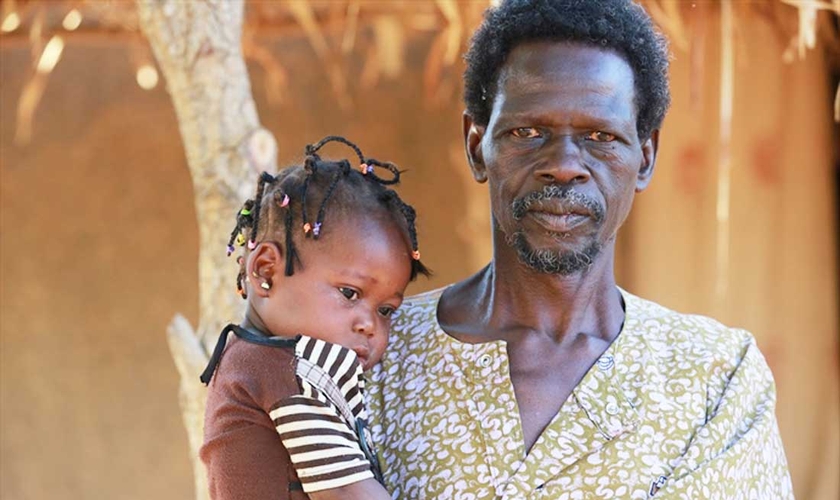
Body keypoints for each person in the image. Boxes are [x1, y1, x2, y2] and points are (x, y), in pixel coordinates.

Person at [367, 1, 794, 499]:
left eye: (600, 136)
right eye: (527, 132)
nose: (565, 165)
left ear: (645, 158)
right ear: (476, 146)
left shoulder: (714, 378)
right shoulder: (372, 354)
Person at [199, 136, 428, 500]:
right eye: (349, 293)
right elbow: (346, 493)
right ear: (265, 271)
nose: (370, 325)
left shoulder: (248, 362)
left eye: (386, 311)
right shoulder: (285, 373)